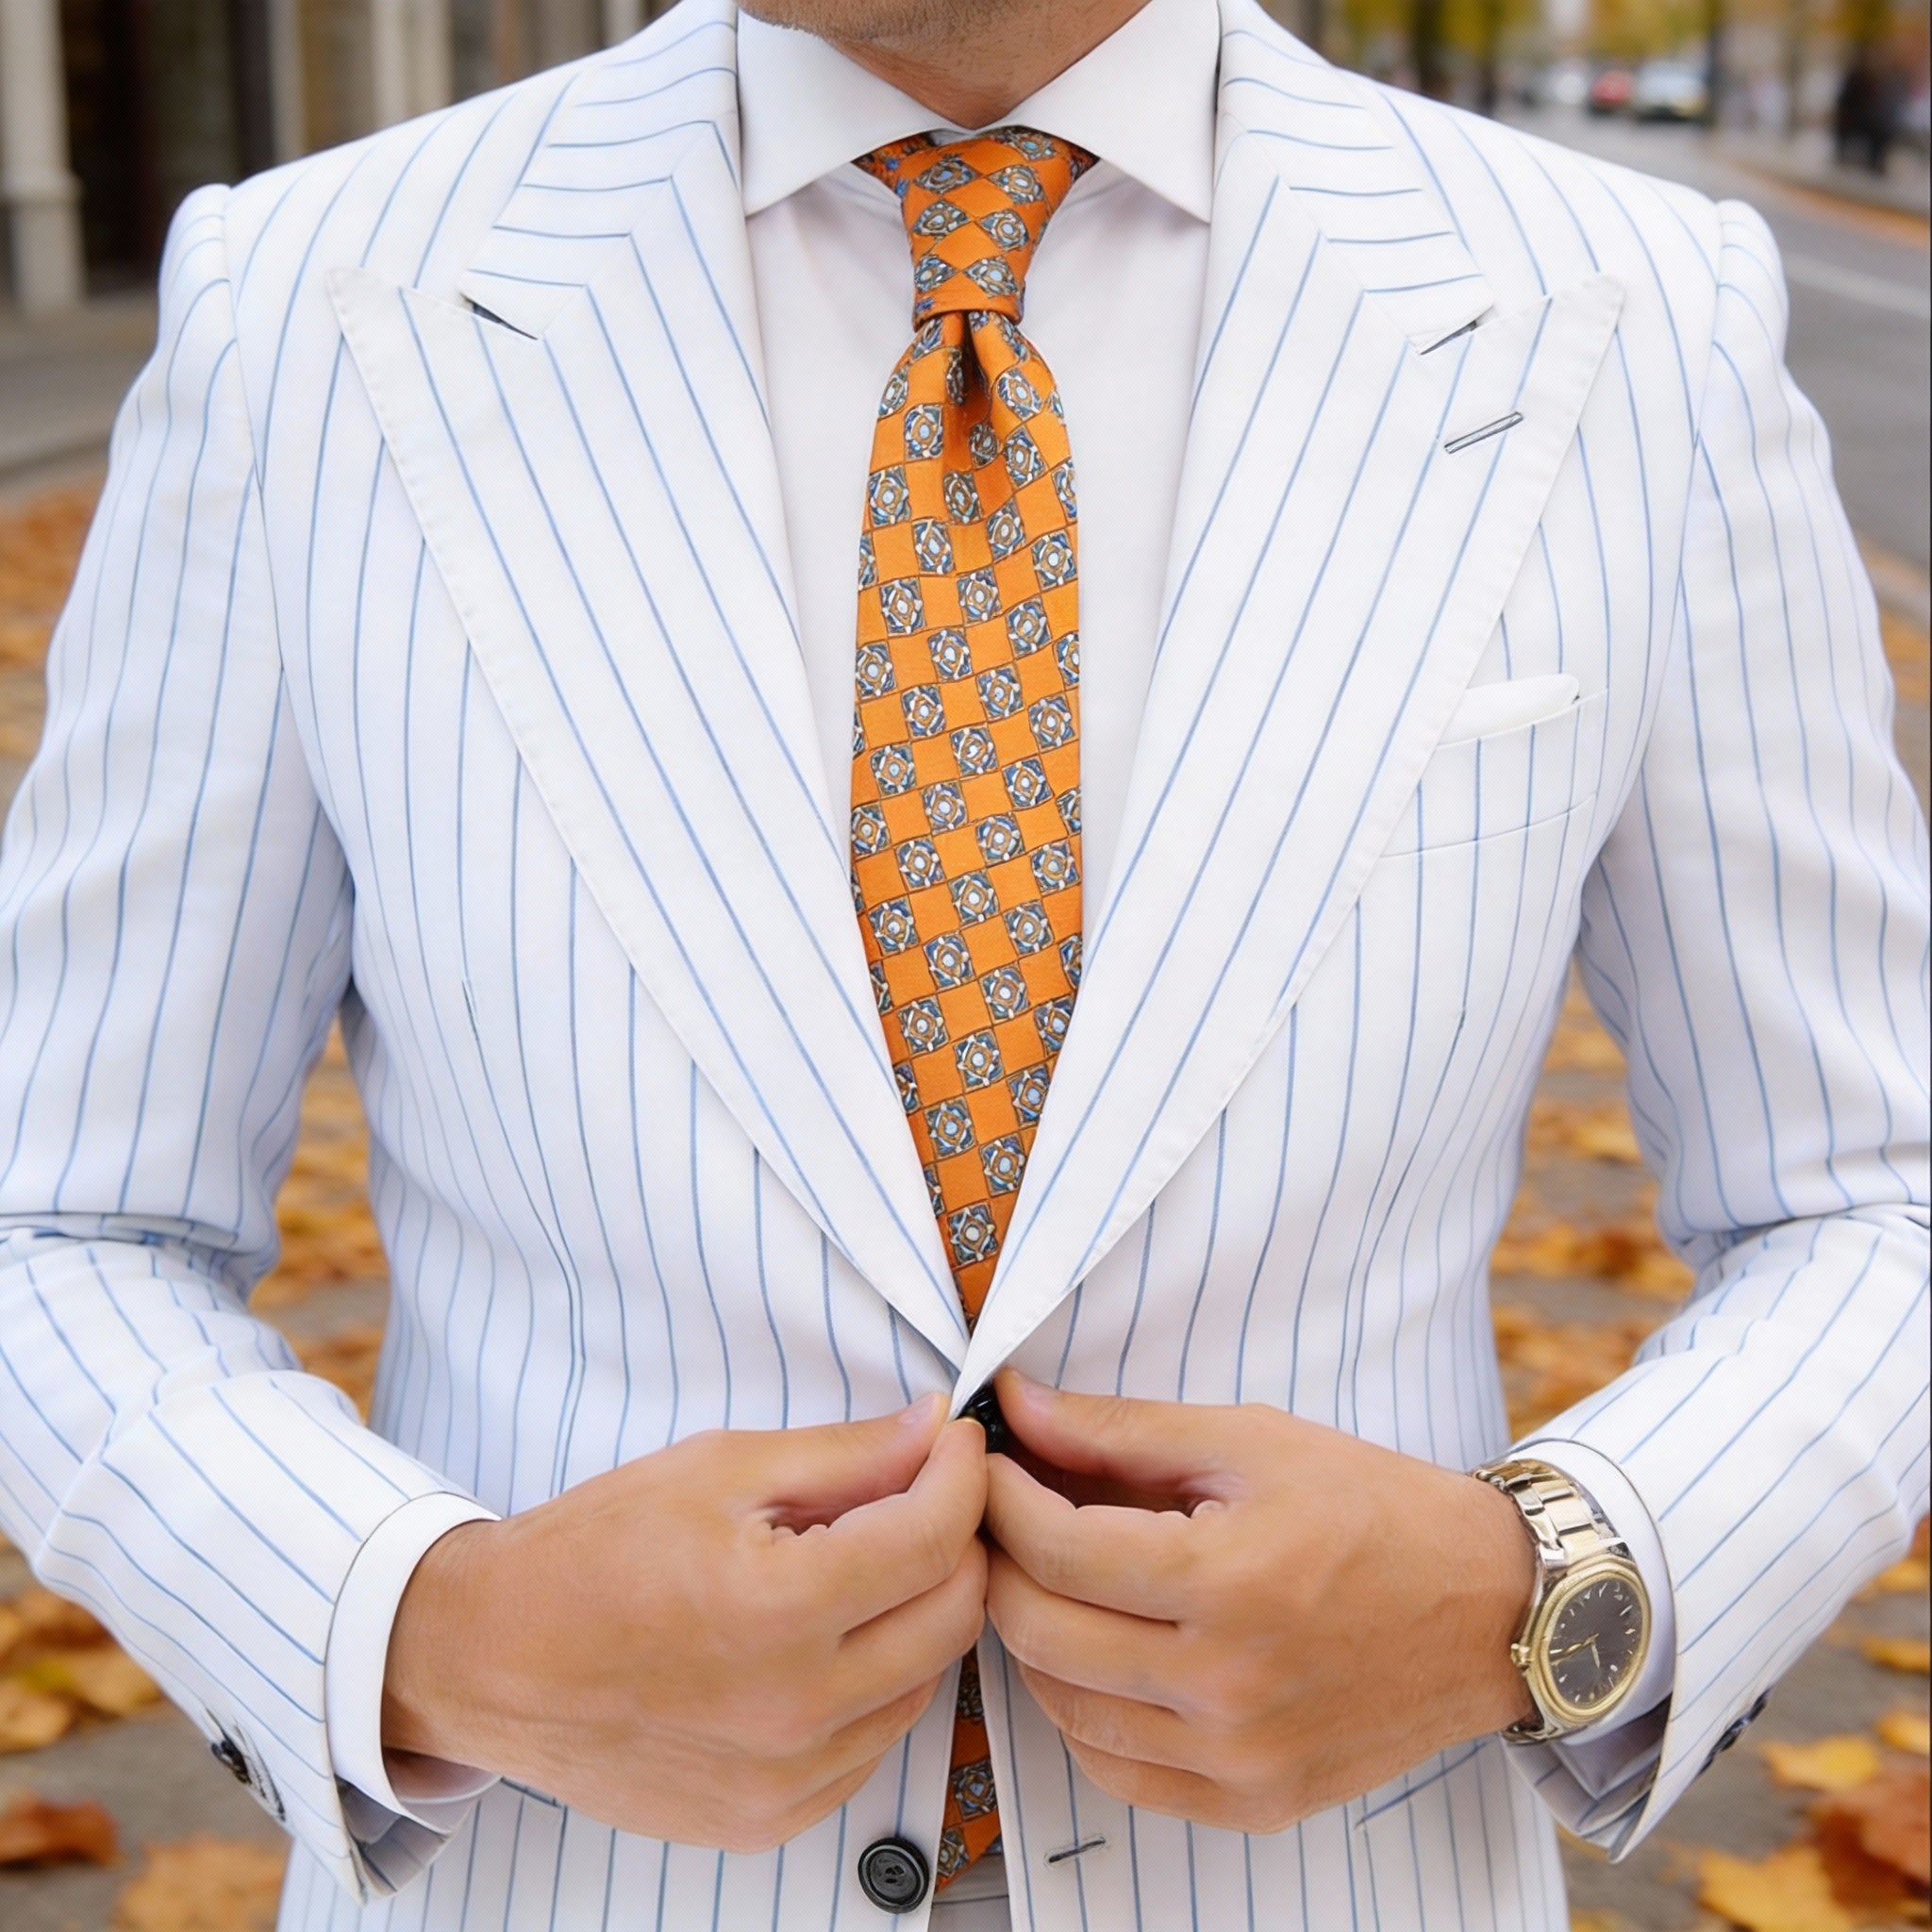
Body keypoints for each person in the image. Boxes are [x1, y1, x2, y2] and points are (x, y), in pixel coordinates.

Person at [0, 0, 1924, 1924]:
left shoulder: (1635, 315)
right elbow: (58, 1216)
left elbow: (1871, 1194)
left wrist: (1550, 1588)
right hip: (556, 1872)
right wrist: (427, 1631)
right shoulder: (308, 307)